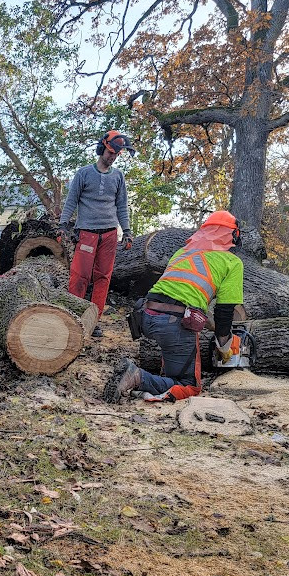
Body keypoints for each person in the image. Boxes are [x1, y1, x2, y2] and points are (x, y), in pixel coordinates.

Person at [112, 210, 245, 403]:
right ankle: (137, 377)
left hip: (146, 315)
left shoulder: (182, 253)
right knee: (189, 385)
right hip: (174, 324)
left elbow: (178, 294)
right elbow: (224, 313)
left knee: (172, 369)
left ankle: (146, 385)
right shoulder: (232, 262)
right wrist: (225, 348)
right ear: (233, 236)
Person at [59, 130, 136, 336]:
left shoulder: (118, 176)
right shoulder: (84, 173)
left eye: (116, 155)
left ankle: (93, 321)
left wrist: (126, 231)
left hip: (110, 234)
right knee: (79, 276)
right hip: (87, 232)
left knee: (103, 277)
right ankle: (72, 315)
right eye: (110, 152)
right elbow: (71, 201)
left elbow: (122, 206)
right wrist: (63, 224)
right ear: (102, 148)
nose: (112, 157)